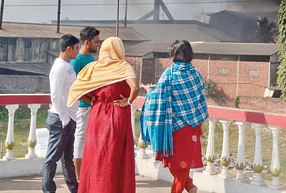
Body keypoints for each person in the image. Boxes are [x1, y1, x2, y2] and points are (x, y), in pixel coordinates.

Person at [67, 37, 139, 193]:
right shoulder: (123, 67)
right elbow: (135, 88)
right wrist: (128, 101)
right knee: (115, 156)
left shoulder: (93, 67)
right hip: (117, 114)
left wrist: (91, 99)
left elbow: (76, 90)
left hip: (97, 115)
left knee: (96, 154)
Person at [141, 40, 208, 193]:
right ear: (191, 55)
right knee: (175, 163)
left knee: (179, 164)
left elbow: (157, 97)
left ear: (172, 54)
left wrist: (148, 91)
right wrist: (200, 126)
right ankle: (189, 185)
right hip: (191, 127)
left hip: (174, 128)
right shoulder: (196, 75)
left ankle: (179, 189)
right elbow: (200, 103)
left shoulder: (168, 75)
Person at [43, 34, 80, 193]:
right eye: (76, 48)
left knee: (67, 159)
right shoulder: (59, 67)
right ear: (69, 48)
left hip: (69, 118)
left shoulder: (67, 65)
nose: (78, 52)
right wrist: (64, 118)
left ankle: (75, 189)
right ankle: (48, 190)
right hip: (60, 119)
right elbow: (55, 96)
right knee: (52, 159)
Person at [69, 26, 100, 180]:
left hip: (93, 107)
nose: (98, 45)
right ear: (87, 42)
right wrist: (88, 99)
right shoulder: (77, 61)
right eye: (95, 42)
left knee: (91, 141)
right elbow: (74, 89)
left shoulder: (91, 58)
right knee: (80, 141)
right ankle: (79, 177)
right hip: (82, 108)